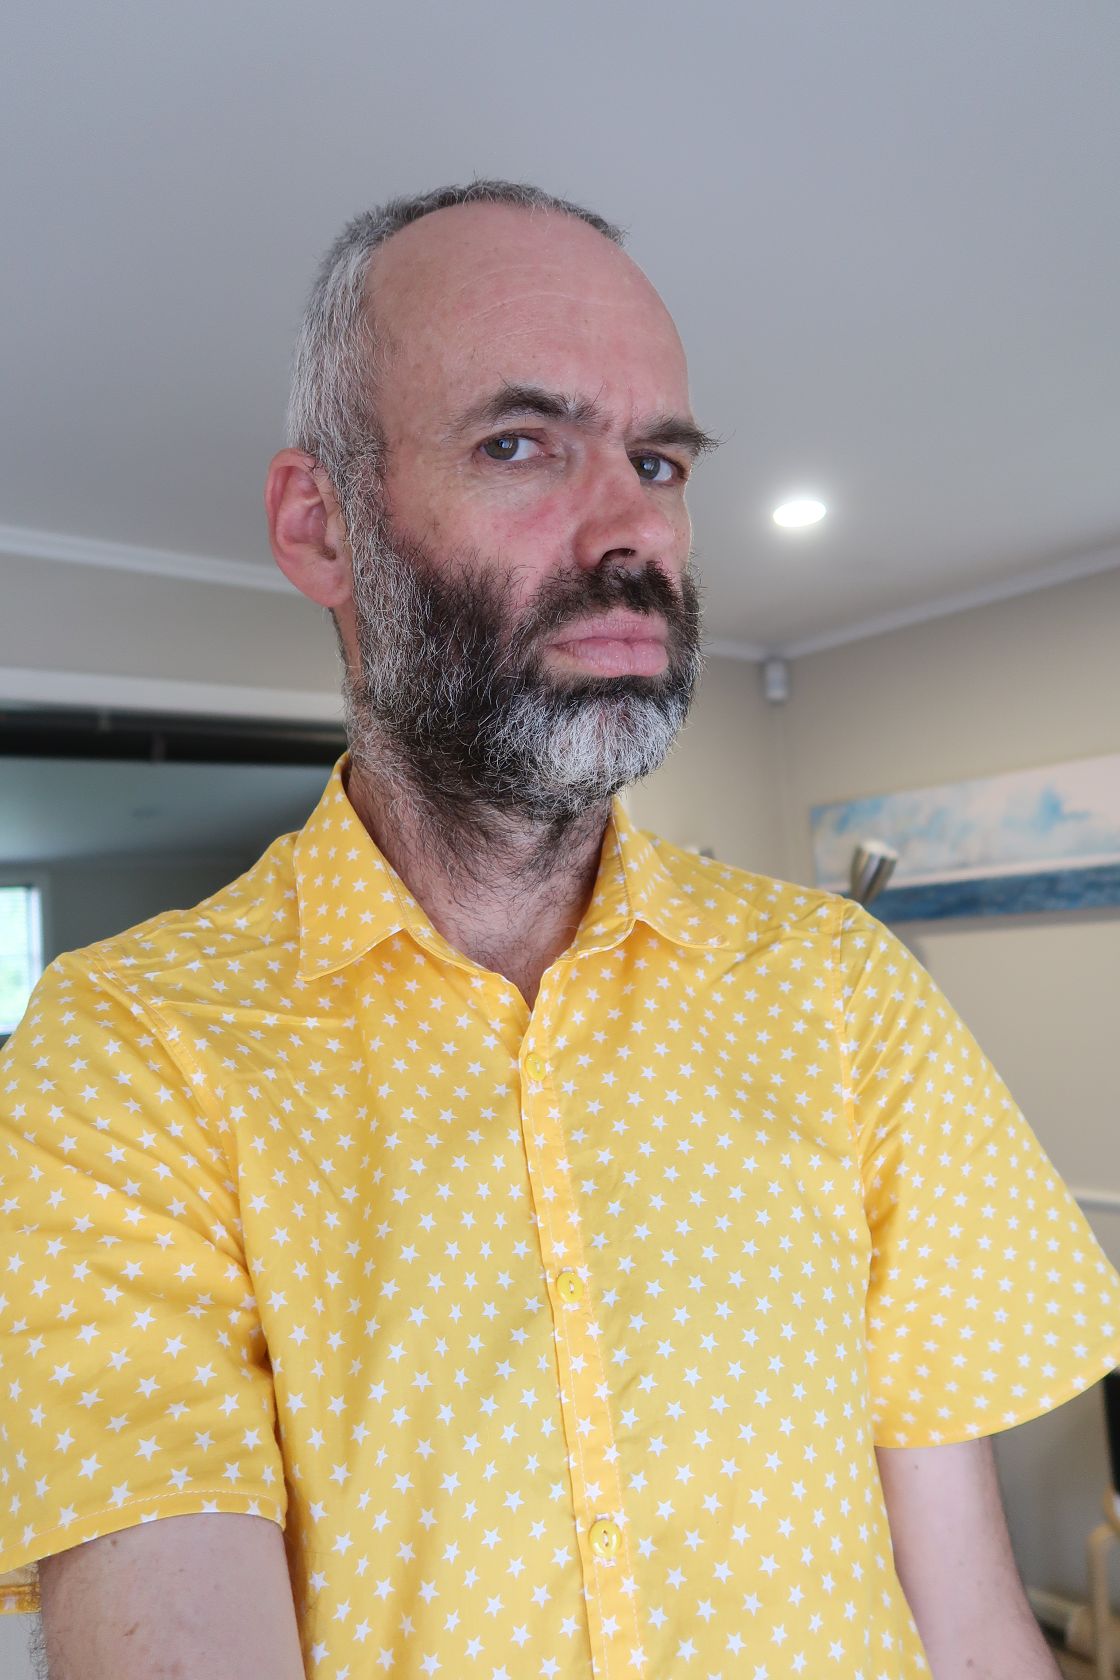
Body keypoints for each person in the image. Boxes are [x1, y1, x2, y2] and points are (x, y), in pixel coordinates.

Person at [1, 179, 1116, 1680]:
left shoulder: (844, 990)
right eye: (520, 443)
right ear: (321, 526)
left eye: (658, 460)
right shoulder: (126, 1051)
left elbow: (971, 1621)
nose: (632, 529)